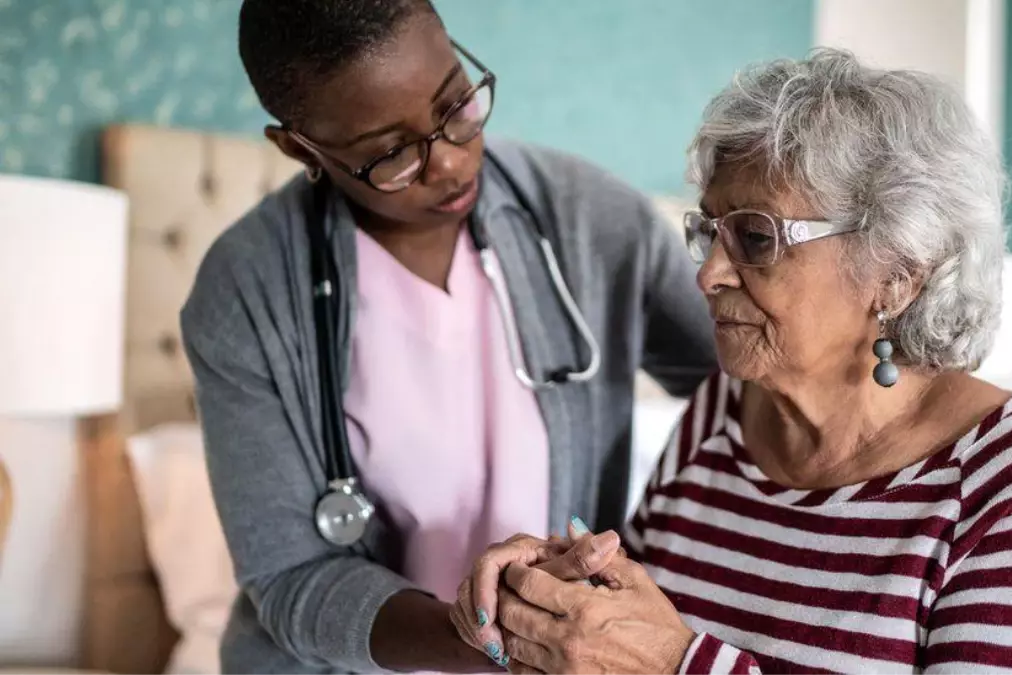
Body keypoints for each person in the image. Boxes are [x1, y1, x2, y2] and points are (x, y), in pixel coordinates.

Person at [452, 50, 1012, 674]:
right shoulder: (722, 413)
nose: (709, 274)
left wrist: (676, 664)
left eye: (754, 236)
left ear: (897, 273)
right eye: (709, 232)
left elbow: (662, 654)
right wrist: (565, 596)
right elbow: (637, 630)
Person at [179, 0, 717, 672]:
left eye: (456, 105)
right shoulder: (245, 293)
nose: (449, 164)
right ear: (300, 148)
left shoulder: (594, 222)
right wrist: (496, 641)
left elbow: (753, 392)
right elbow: (292, 575)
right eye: (392, 153)